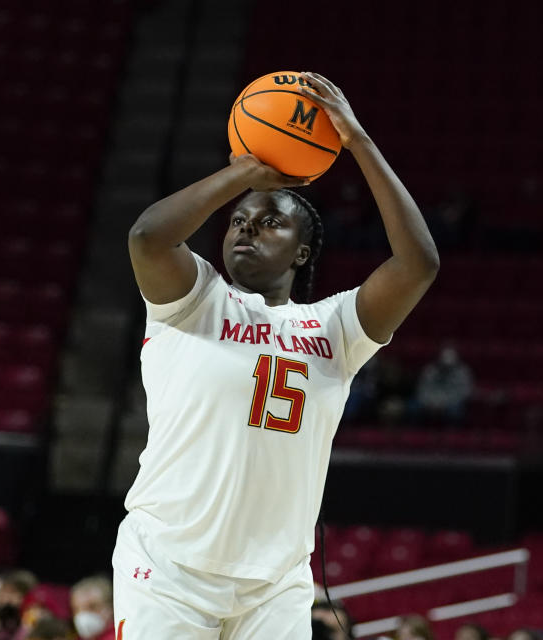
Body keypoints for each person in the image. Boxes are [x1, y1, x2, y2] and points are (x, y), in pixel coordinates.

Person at [117, 70, 439, 639]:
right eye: (238, 221)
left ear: (303, 251)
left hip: (277, 584)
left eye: (270, 223)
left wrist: (358, 142)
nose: (247, 230)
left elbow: (418, 265)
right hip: (168, 567)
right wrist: (248, 166)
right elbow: (148, 236)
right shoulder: (194, 300)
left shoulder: (335, 327)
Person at [412, 343, 474, 424]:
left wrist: (444, 403)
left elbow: (464, 391)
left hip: (451, 403)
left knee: (455, 411)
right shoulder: (430, 370)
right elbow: (422, 388)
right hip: (430, 402)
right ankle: (417, 433)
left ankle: (452, 434)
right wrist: (431, 402)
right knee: (413, 408)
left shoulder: (462, 372)